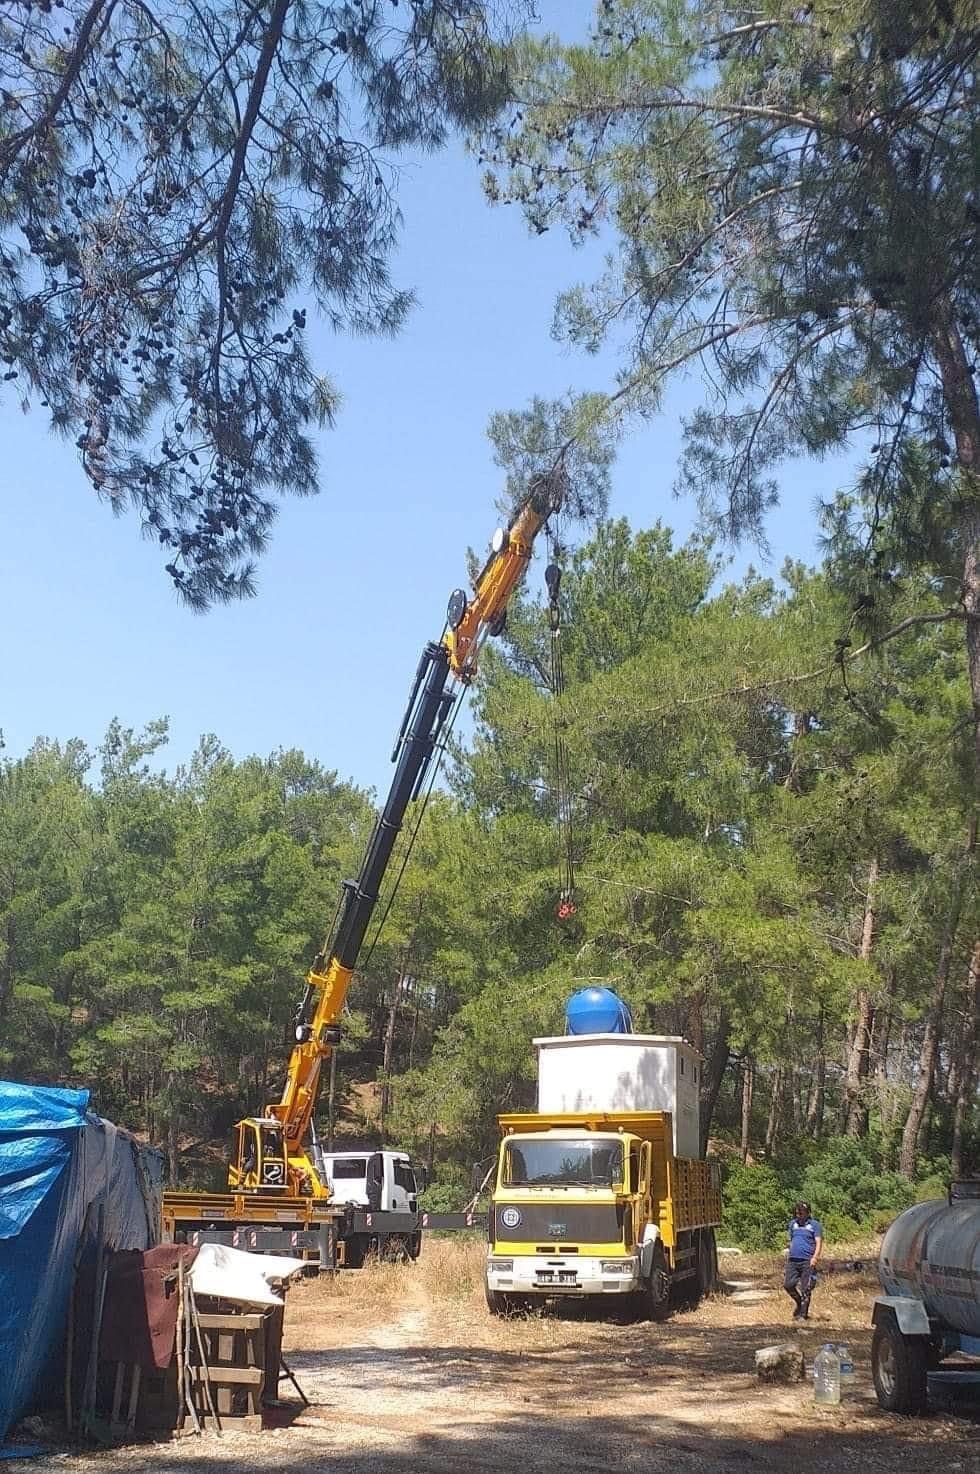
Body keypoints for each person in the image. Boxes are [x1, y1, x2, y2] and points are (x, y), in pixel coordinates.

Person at [784, 1200, 822, 1320]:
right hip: (793, 1260)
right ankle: (799, 1303)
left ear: (807, 1213)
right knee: (788, 1285)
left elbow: (818, 1242)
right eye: (797, 1212)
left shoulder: (814, 1225)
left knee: (806, 1288)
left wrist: (815, 1257)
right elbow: (791, 1240)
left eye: (802, 1212)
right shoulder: (792, 1224)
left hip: (807, 1260)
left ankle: (803, 1315)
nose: (799, 1215)